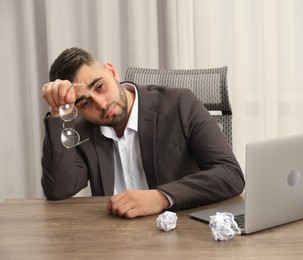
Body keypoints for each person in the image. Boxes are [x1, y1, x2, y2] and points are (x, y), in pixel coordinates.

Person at [41, 47, 245, 219]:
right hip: (113, 241)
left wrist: (161, 197)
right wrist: (57, 113)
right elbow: (59, 190)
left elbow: (230, 174)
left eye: (100, 86)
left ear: (112, 71)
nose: (102, 104)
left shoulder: (180, 104)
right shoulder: (82, 128)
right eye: (85, 103)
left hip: (181, 234)